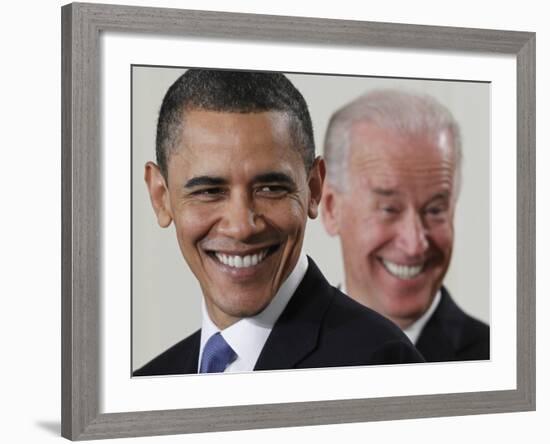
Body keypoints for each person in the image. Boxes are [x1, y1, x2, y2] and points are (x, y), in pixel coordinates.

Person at [133, 70, 423, 376]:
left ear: (313, 189)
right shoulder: (148, 383)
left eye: (270, 189)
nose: (242, 226)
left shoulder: (382, 365)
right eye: (209, 192)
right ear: (160, 196)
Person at [321, 89, 489, 362]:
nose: (414, 244)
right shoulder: (272, 356)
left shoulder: (508, 362)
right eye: (389, 209)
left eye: (435, 210)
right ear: (330, 208)